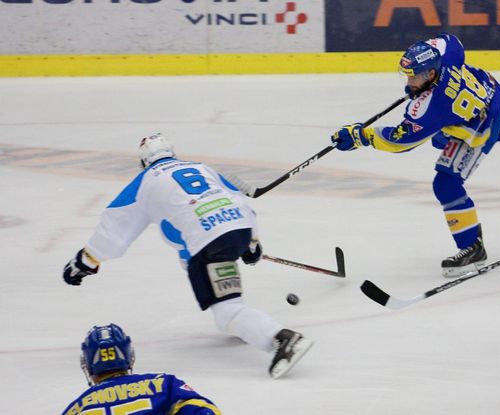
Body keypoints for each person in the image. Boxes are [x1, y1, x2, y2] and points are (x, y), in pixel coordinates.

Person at [62, 133, 312, 379]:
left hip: (209, 242)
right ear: (173, 154)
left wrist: (86, 260)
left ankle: (282, 339)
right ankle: (248, 325)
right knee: (220, 283)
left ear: (143, 163)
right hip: (238, 228)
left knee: (226, 313)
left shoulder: (145, 182)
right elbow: (237, 199)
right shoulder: (201, 167)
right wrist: (252, 242)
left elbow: (115, 229)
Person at [330, 33, 500, 277]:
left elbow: (401, 140)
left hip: (478, 127)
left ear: (431, 74)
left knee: (446, 183)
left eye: (415, 77)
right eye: (408, 76)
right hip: (489, 92)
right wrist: (420, 77)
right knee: (439, 139)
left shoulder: (432, 107)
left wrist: (361, 136)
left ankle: (472, 248)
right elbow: (451, 40)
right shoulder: (447, 53)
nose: (409, 82)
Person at [62, 324, 222, 415]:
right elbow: (205, 411)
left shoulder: (77, 408)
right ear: (128, 356)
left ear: (88, 366)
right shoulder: (163, 384)